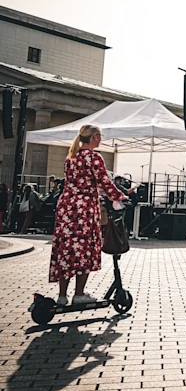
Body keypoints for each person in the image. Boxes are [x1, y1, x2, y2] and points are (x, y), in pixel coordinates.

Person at [49, 125, 132, 305]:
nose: (101, 139)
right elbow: (104, 180)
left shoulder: (71, 157)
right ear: (94, 137)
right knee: (84, 248)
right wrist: (120, 196)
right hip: (84, 208)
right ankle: (79, 293)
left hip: (66, 206)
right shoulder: (93, 157)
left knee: (66, 248)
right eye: (100, 136)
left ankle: (62, 296)